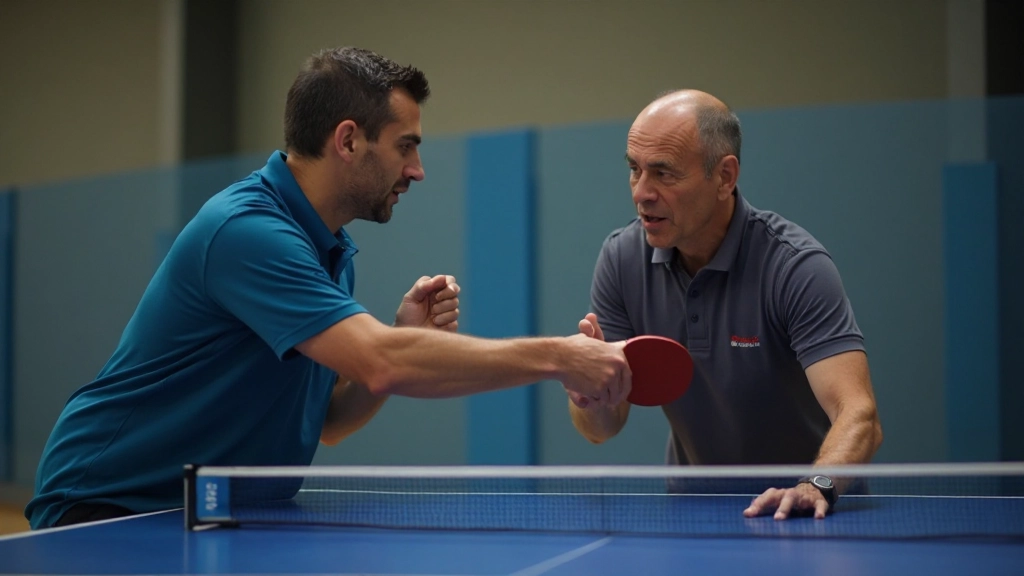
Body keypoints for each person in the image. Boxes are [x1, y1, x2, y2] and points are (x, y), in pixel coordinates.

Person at [26, 47, 632, 529]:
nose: (417, 170)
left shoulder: (330, 248)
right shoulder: (247, 231)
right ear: (347, 141)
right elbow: (382, 363)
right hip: (111, 504)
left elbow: (332, 421)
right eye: (406, 147)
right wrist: (561, 356)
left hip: (210, 512)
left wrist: (400, 338)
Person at [567, 89, 883, 520]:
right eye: (634, 170)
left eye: (663, 173)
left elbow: (859, 413)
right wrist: (591, 397)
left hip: (812, 512)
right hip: (696, 511)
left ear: (725, 176)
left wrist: (817, 486)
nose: (641, 192)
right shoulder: (622, 260)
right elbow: (602, 430)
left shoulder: (794, 267)